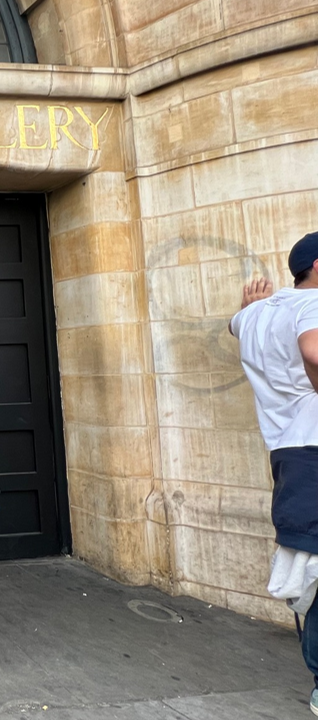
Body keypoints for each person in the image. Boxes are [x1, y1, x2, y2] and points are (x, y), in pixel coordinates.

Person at [230, 232, 318, 714]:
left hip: (288, 453)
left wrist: (250, 307)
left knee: (308, 565)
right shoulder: (313, 304)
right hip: (315, 445)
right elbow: (313, 353)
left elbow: (235, 324)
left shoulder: (254, 315)